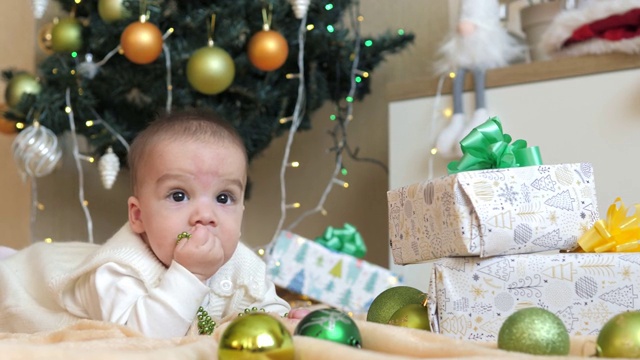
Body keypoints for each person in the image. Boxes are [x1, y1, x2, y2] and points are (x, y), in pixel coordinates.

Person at [0, 109, 304, 338]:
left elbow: (260, 306)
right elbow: (144, 344)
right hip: (29, 282)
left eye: (224, 198)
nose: (205, 215)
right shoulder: (116, 273)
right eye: (179, 195)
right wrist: (190, 275)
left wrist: (284, 320)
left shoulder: (241, 262)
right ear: (138, 216)